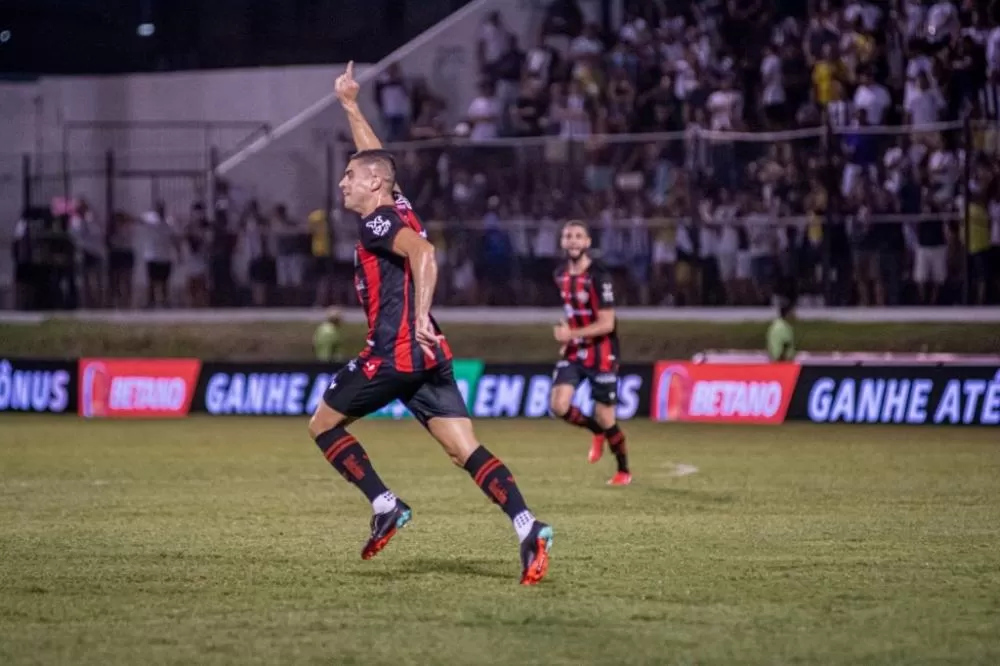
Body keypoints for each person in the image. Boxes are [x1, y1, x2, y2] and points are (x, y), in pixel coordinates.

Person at [307, 62, 553, 585]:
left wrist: (417, 316)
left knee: (322, 425)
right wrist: (350, 105)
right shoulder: (396, 204)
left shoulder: (378, 223)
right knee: (465, 450)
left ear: (372, 185)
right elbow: (376, 160)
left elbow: (425, 253)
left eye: (350, 175)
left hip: (395, 352)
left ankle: (384, 502)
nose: (343, 180)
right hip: (429, 356)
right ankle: (528, 526)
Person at [548, 221, 632, 487]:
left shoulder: (599, 276)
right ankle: (595, 432)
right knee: (558, 405)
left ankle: (623, 469)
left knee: (606, 416)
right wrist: (567, 331)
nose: (573, 241)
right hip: (575, 351)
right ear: (562, 242)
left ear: (587, 243)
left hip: (602, 352)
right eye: (568, 236)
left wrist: (570, 334)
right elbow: (574, 311)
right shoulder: (560, 274)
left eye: (578, 236)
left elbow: (607, 323)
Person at [766, 297, 796, 362]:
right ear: (788, 314)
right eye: (793, 312)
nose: (795, 315)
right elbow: (785, 345)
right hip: (782, 362)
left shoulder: (774, 325)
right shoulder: (784, 328)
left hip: (774, 361)